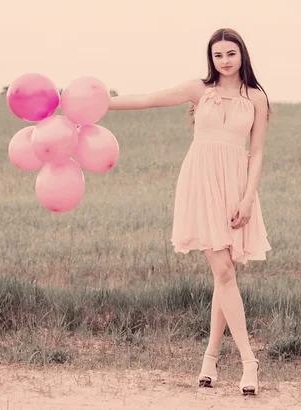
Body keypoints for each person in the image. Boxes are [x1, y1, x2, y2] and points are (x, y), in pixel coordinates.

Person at [108, 28, 274, 395]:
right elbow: (151, 98)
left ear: (242, 55)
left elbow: (257, 150)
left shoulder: (257, 97)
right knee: (223, 271)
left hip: (236, 186)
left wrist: (248, 198)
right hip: (201, 182)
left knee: (224, 275)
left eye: (231, 53)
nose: (225, 60)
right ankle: (250, 362)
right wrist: (101, 104)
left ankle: (210, 359)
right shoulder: (200, 90)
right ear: (210, 59)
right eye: (218, 55)